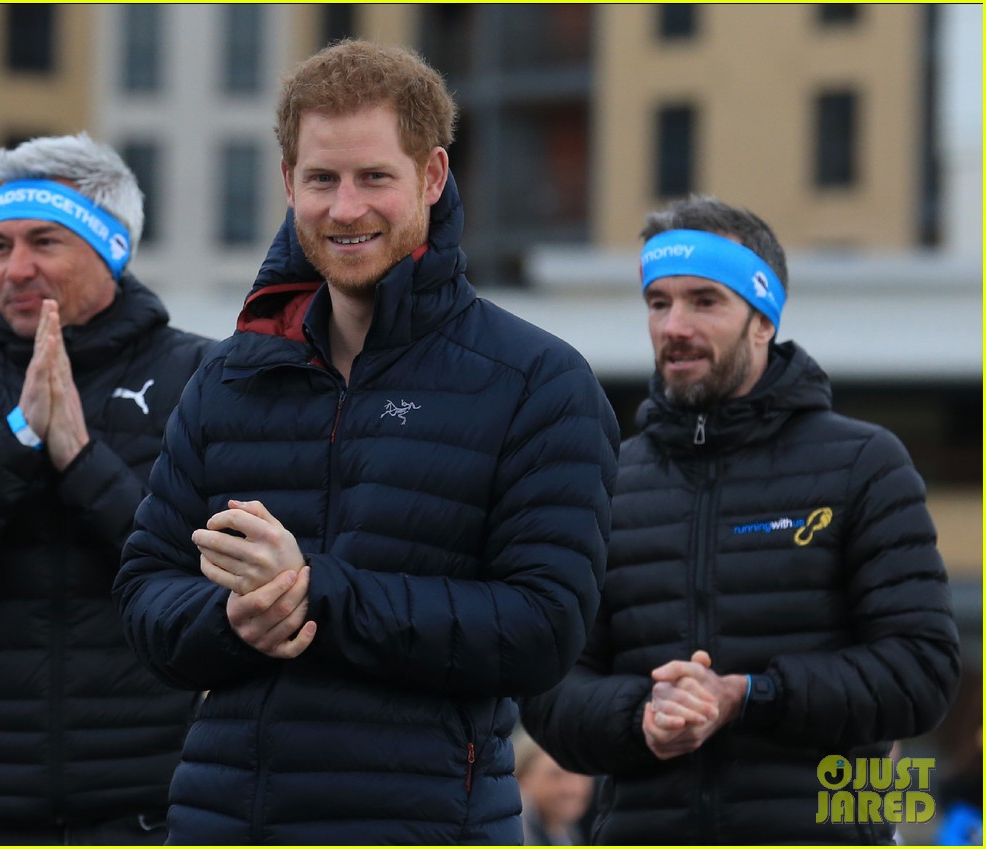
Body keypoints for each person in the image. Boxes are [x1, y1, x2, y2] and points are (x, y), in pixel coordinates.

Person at [113, 39, 619, 843]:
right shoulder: (228, 380)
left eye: (374, 177)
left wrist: (319, 593)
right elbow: (143, 590)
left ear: (433, 175)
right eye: (322, 179)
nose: (346, 209)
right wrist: (234, 621)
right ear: (288, 184)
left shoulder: (538, 383)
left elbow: (544, 628)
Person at [519, 195, 961, 844]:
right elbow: (550, 688)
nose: (674, 325)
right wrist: (642, 715)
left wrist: (748, 694)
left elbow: (921, 672)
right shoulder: (607, 481)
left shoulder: (864, 464)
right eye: (659, 302)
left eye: (704, 301)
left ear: (763, 319)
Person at [0, 133, 215, 844]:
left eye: (44, 242)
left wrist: (79, 457)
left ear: (111, 248)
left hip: (155, 807)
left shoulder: (199, 377)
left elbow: (203, 576)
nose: (15, 269)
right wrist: (17, 437)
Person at [514, 731, 593, 845]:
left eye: (580, 775)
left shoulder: (565, 830)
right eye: (555, 776)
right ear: (522, 779)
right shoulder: (512, 835)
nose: (571, 789)